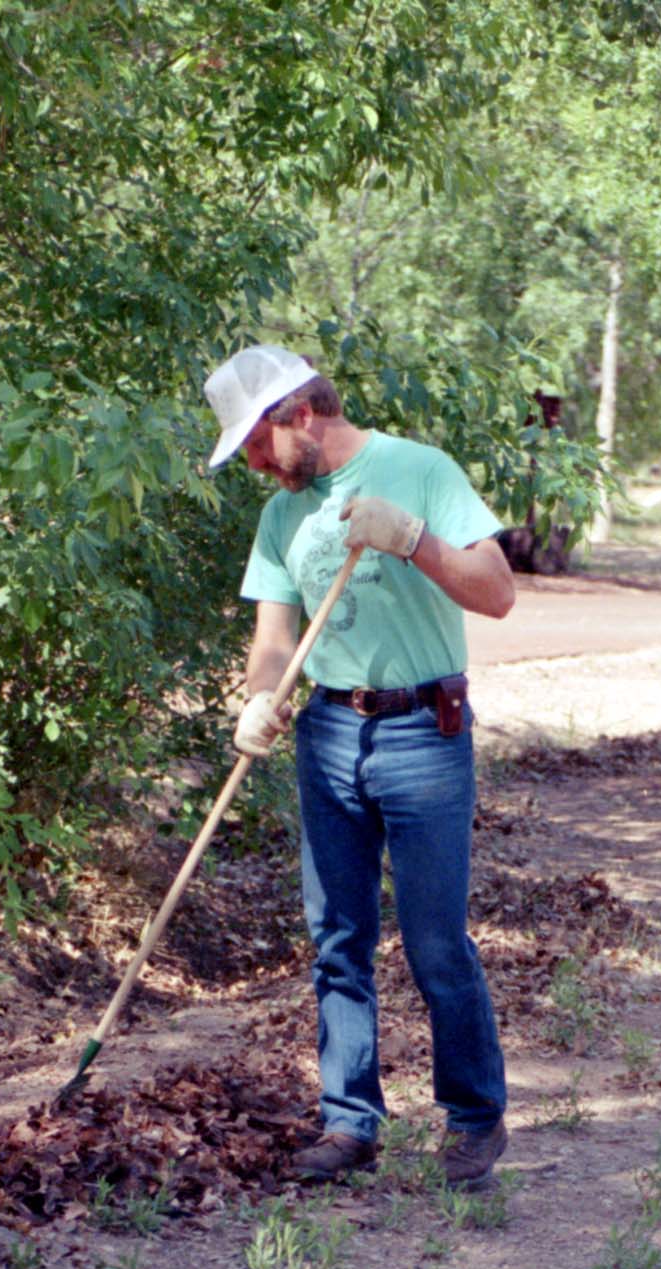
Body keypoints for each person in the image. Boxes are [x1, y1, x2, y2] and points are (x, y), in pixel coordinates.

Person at [203, 344, 515, 1188]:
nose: (258, 467)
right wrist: (261, 699)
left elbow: (496, 591)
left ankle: (475, 1120)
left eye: (259, 445)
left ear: (298, 413)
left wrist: (412, 539)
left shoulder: (421, 470)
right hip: (329, 738)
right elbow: (275, 640)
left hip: (424, 732)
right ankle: (350, 1122)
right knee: (338, 938)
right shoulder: (283, 518)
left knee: (434, 939)